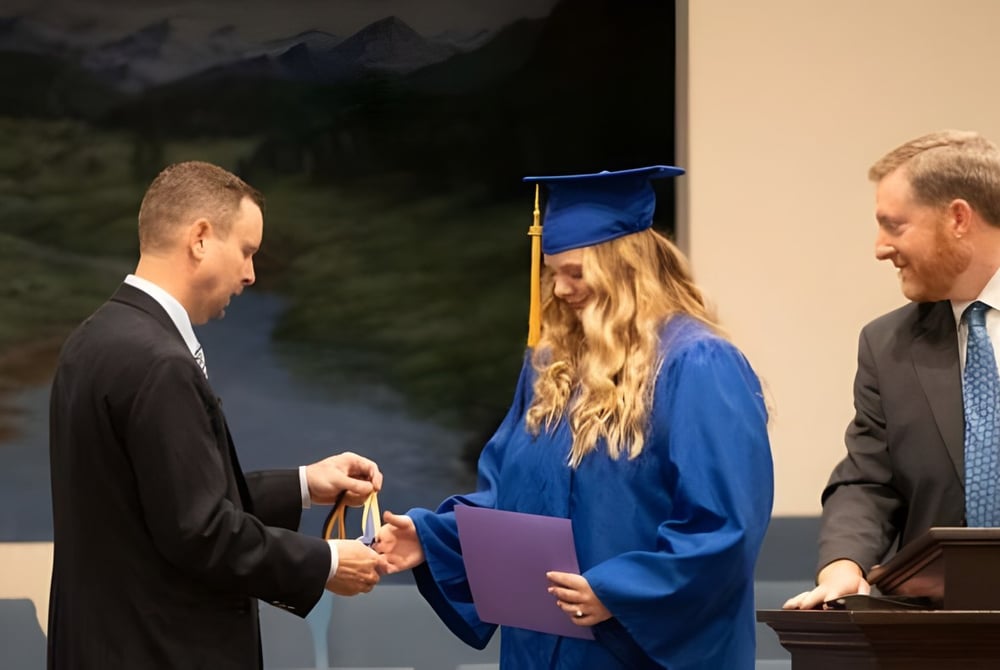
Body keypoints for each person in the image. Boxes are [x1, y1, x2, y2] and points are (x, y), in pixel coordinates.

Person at [375, 166, 774, 669]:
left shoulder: (697, 364)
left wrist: (618, 591)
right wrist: (433, 539)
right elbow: (509, 497)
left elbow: (724, 525)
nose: (559, 290)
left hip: (632, 650)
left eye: (576, 273)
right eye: (553, 272)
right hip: (540, 646)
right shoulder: (551, 368)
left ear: (626, 270)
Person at [47, 161, 386, 669]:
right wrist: (328, 561)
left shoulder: (93, 339)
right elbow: (199, 532)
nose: (251, 274)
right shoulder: (159, 362)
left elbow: (164, 503)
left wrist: (303, 484)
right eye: (247, 251)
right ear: (201, 238)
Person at [783, 129, 1000, 611]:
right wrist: (845, 565)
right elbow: (868, 481)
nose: (880, 248)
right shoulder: (887, 346)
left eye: (894, 225)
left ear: (958, 218)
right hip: (940, 634)